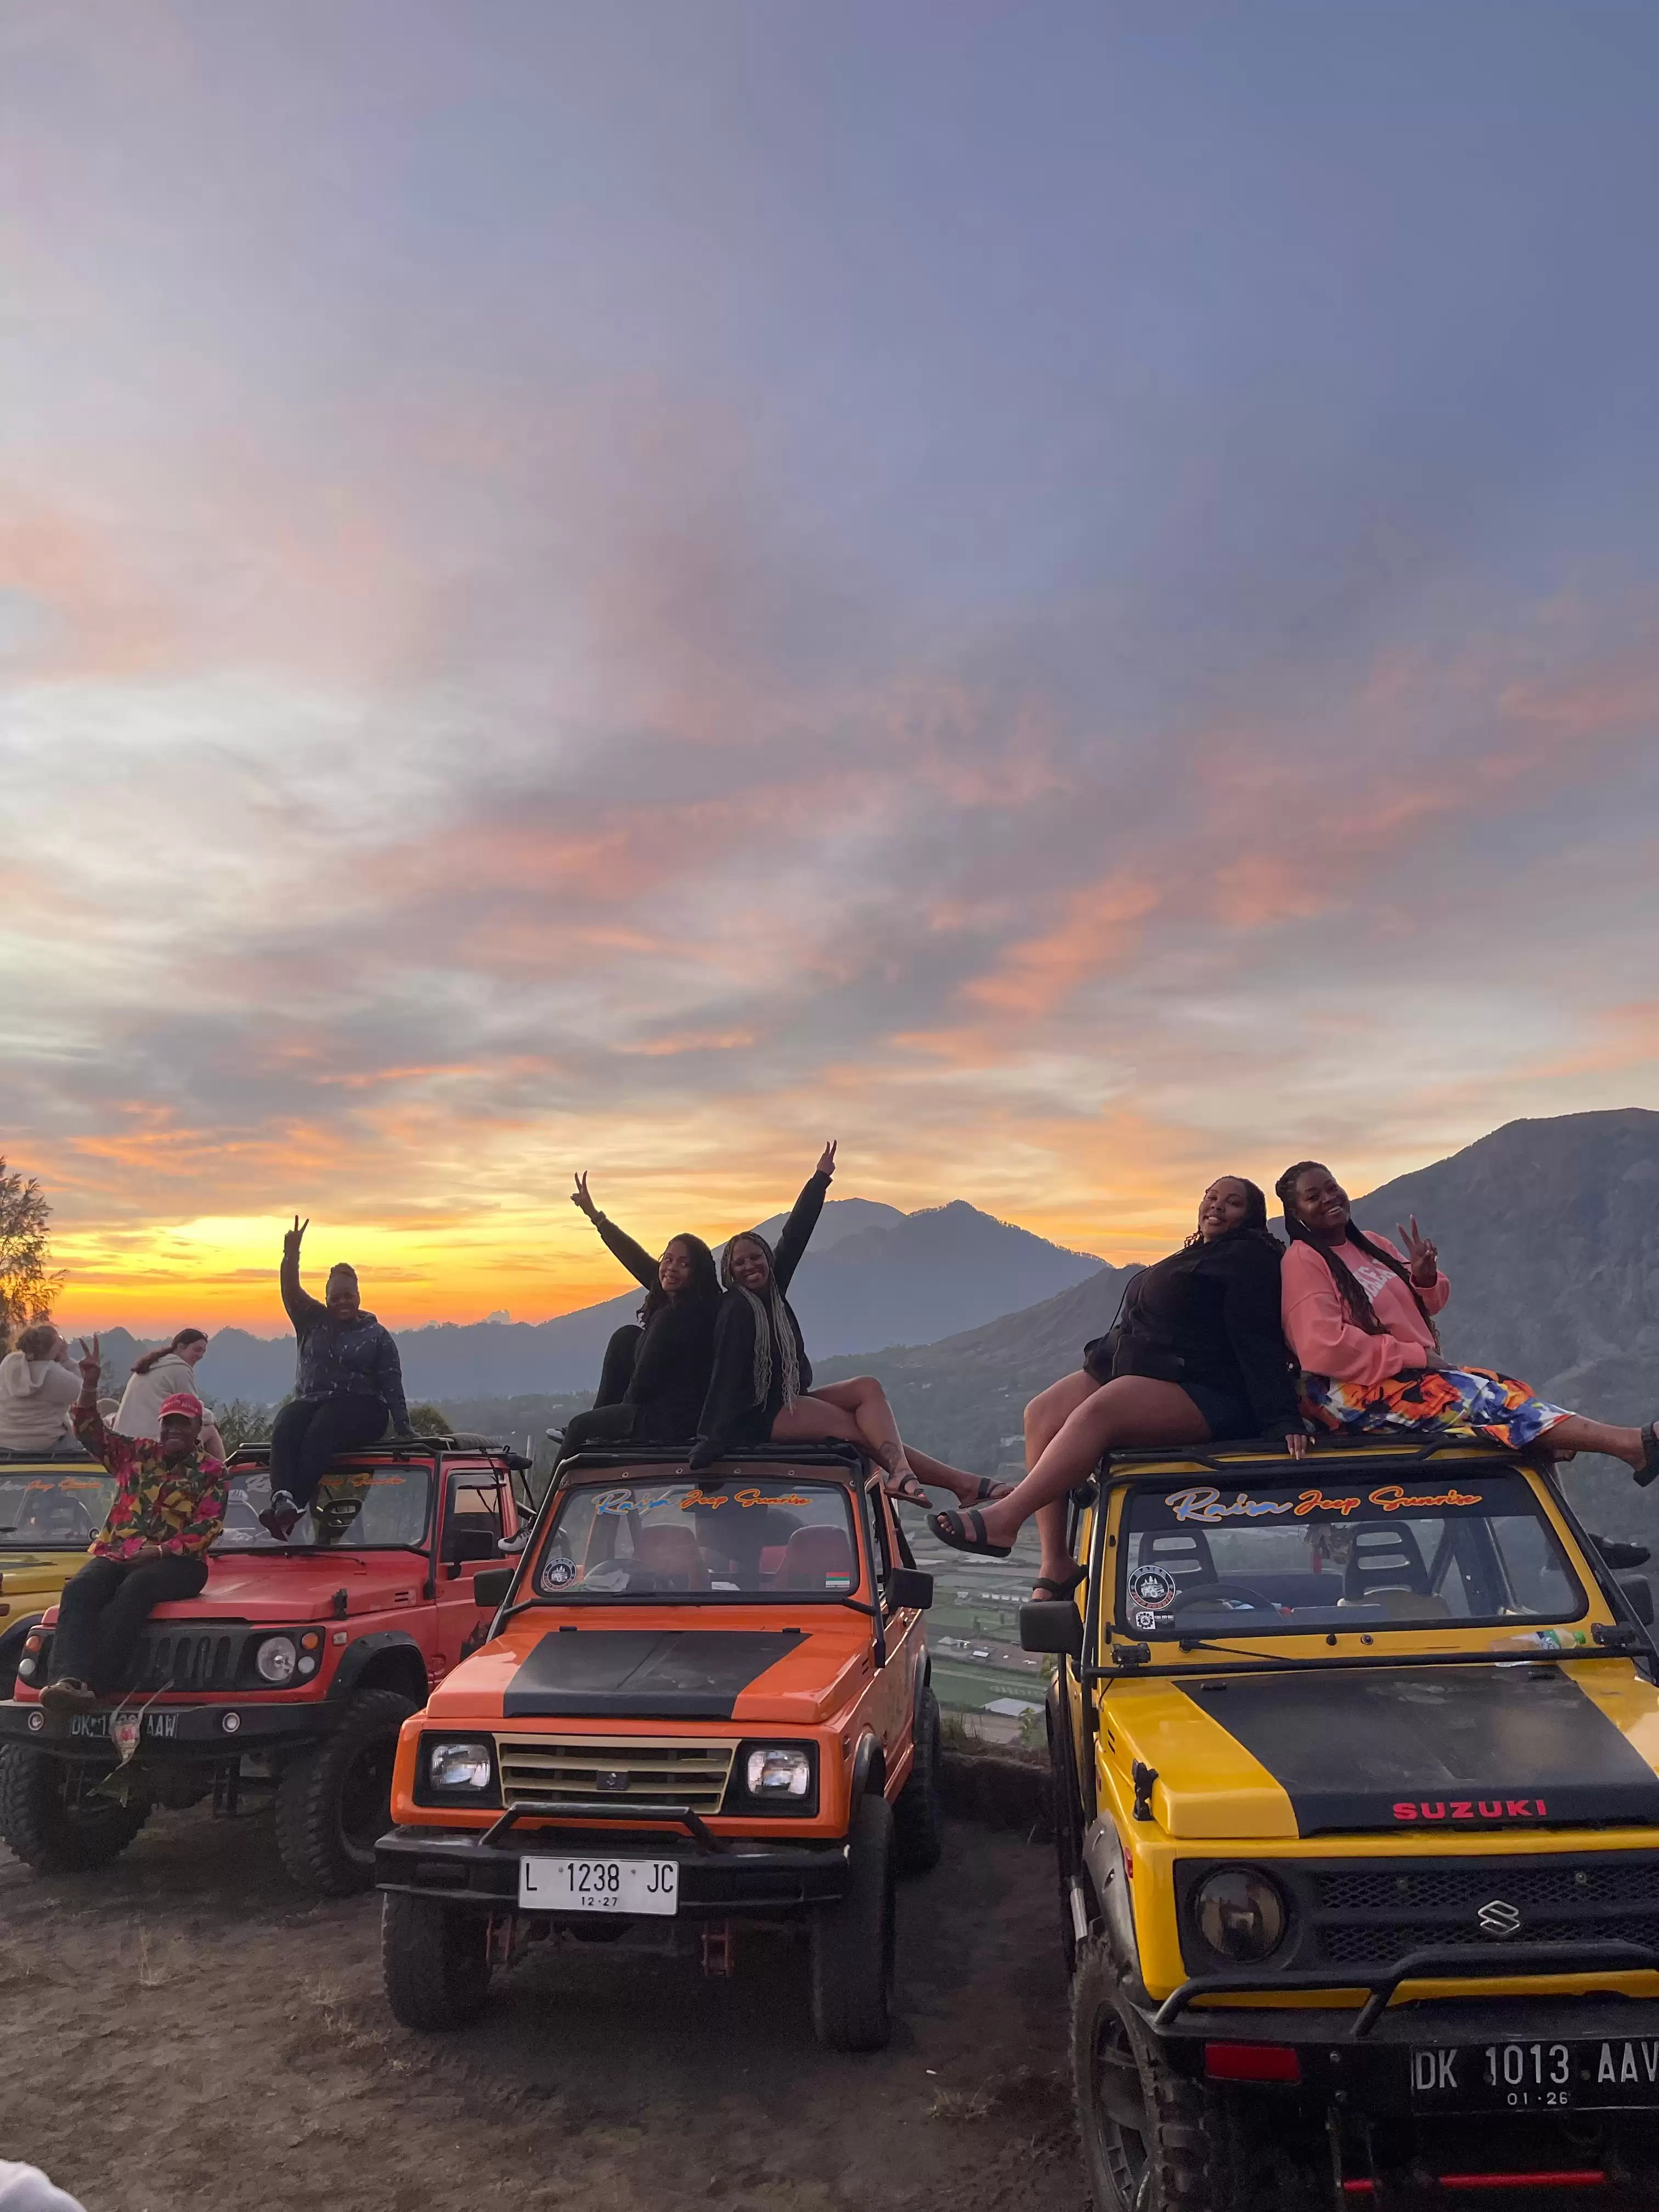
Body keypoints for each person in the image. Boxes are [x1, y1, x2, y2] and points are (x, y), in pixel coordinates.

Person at [926, 1177, 1307, 1582]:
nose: (1216, 1207)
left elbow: (1257, 1339)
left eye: (1232, 1203)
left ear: (1251, 1216)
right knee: (1043, 1414)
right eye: (1211, 1198)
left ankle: (1007, 1517)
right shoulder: (1202, 1252)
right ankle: (1055, 1563)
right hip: (1142, 1369)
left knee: (1103, 1411)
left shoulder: (1251, 1261)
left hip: (1207, 1389)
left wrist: (1281, 1417)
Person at [1276, 1161, 1659, 1477]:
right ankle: (1631, 1445)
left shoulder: (1373, 1245)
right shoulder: (1303, 1261)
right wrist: (1415, 1356)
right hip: (1346, 1392)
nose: (1329, 1198)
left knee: (1510, 1391)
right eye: (1313, 1196)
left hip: (1399, 1378)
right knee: (1485, 1399)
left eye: (1331, 1187)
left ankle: (1569, 1539)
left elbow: (1430, 1302)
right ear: (1296, 1214)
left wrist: (1423, 1278)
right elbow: (1321, 1348)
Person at [689, 1142, 998, 1509]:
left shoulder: (772, 1292)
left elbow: (795, 1234)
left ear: (768, 1262)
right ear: (729, 1271)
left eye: (756, 1257)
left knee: (867, 1388)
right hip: (756, 1415)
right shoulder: (737, 1308)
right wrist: (710, 1438)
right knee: (855, 1430)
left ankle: (913, 1475)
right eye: (739, 1263)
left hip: (788, 1398)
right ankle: (944, 1481)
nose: (750, 1266)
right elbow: (724, 1374)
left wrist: (820, 1179)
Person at [38, 1335, 228, 1713]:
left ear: (197, 1430)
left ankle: (97, 1685)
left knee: (137, 1588)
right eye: (168, 1423)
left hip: (180, 1564)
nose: (173, 1430)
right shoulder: (137, 1454)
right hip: (120, 1551)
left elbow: (208, 1527)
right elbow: (91, 1432)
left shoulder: (212, 1472)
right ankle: (67, 1681)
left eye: (182, 1424)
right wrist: (89, 1385)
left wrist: (157, 1551)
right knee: (79, 1590)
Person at [261, 1217, 412, 1540]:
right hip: (313, 1403)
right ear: (327, 1298)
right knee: (288, 1420)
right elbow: (291, 1290)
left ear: (358, 1296)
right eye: (336, 1297)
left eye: (349, 1295)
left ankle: (298, 1505)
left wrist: (403, 1427)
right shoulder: (311, 1320)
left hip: (365, 1411)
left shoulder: (376, 1335)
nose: (343, 1302)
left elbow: (391, 1382)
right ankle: (282, 1498)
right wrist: (291, 1255)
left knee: (325, 1424)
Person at [562, 1176, 722, 1452]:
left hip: (671, 1420)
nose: (671, 1268)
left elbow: (642, 1384)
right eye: (668, 1259)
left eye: (684, 1264)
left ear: (697, 1273)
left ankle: (556, 1489)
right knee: (626, 1337)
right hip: (666, 1407)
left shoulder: (678, 1316)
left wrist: (612, 1422)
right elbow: (635, 1258)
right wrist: (595, 1216)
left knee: (579, 1426)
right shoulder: (676, 1297)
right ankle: (600, 1426)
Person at [115, 1327, 226, 1461]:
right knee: (210, 1430)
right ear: (181, 1346)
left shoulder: (150, 1366)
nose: (201, 1355)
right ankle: (221, 1476)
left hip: (124, 1442)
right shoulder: (180, 1369)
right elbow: (195, 1411)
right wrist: (213, 1419)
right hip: (152, 1442)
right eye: (197, 1350)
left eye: (203, 1352)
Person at [0, 1325, 83, 1457]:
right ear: (54, 1347)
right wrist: (66, 1361)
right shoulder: (54, 1374)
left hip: (5, 1441)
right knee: (85, 1448)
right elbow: (81, 1393)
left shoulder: (9, 1363)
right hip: (47, 1443)